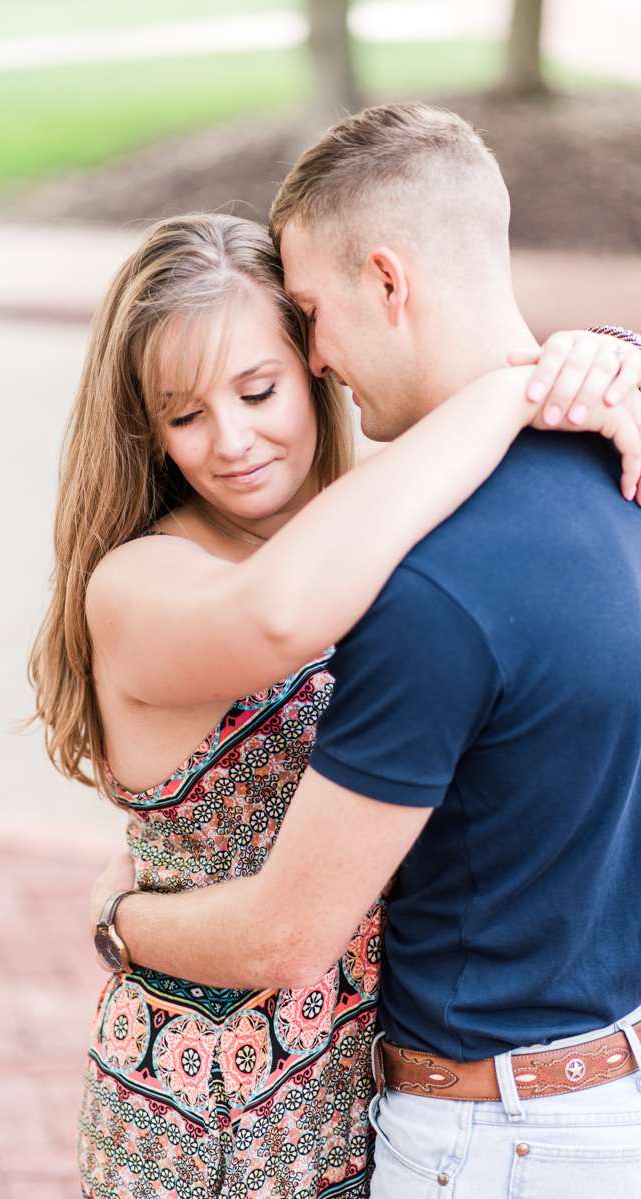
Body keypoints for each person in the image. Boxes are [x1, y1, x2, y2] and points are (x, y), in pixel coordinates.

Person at [88, 104, 641, 1199]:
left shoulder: (400, 553)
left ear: (382, 286)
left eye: (267, 376)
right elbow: (273, 616)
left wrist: (595, 362)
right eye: (184, 413)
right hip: (209, 1104)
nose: (233, 437)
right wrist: (534, 374)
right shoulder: (144, 581)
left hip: (405, 1102)